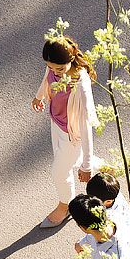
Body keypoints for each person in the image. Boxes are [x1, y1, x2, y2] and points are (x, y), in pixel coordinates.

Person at [31, 36, 101, 228]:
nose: (56, 72)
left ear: (70, 59)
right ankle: (101, 166)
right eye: (51, 67)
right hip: (57, 123)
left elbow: (86, 127)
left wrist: (86, 167)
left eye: (59, 69)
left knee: (58, 173)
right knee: (65, 162)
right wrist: (39, 97)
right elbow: (47, 78)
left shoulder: (81, 84)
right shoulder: (54, 68)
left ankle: (65, 205)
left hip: (72, 135)